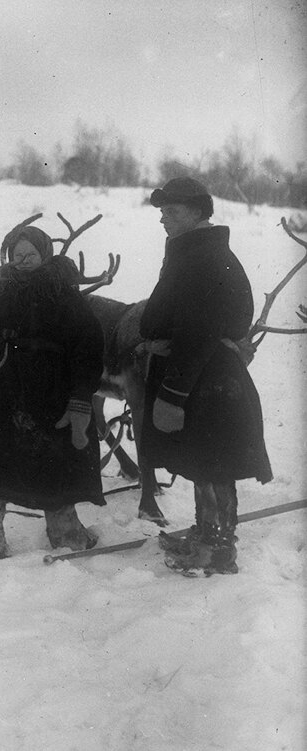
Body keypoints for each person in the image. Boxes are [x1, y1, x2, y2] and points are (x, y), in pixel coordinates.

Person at [0, 225, 106, 558]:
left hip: (53, 395)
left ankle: (65, 530)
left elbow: (88, 350)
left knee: (57, 463)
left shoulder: (67, 297)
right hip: (1, 393)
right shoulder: (0, 294)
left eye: (29, 253)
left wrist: (79, 400)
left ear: (44, 254)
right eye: (16, 255)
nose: (22, 260)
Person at [138, 176, 272, 575]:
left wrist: (172, 395)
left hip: (202, 379)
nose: (164, 219)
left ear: (197, 213)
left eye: (173, 212)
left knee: (214, 463)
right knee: (203, 460)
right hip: (203, 373)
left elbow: (198, 331)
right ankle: (206, 533)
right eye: (162, 212)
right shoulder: (197, 252)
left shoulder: (202, 259)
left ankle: (217, 548)